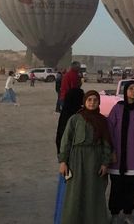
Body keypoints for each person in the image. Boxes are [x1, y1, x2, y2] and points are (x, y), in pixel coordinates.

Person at [58, 90, 113, 224]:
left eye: (95, 100)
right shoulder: (75, 119)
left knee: (93, 192)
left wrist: (105, 163)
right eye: (89, 100)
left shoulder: (102, 120)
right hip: (77, 160)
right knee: (75, 192)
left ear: (99, 102)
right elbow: (66, 141)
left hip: (95, 159)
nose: (92, 103)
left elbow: (107, 144)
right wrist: (63, 161)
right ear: (84, 102)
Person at [107, 82, 134, 224]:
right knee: (116, 187)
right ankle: (114, 213)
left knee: (132, 188)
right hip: (117, 157)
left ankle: (127, 213)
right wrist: (111, 150)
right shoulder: (117, 108)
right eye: (131, 89)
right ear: (126, 92)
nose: (133, 91)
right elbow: (109, 130)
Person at [53, 88, 85, 224]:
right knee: (70, 193)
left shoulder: (69, 113)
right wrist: (64, 160)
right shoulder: (73, 116)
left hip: (71, 159)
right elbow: (63, 139)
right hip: (71, 159)